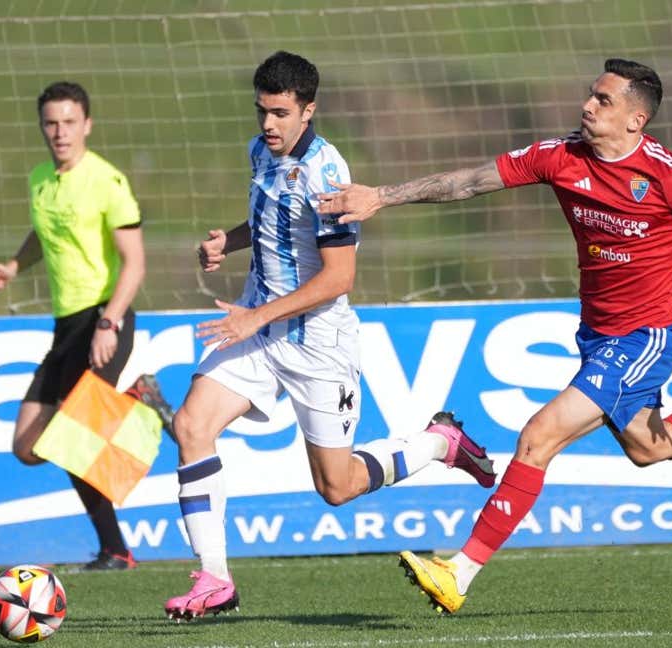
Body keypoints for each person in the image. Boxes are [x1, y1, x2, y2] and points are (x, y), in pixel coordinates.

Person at [316, 58, 672, 614]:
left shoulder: (668, 174)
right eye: (590, 95)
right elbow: (468, 182)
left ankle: (457, 572)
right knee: (647, 447)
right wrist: (383, 196)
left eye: (603, 100)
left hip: (644, 337)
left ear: (637, 119)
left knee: (538, 436)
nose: (588, 106)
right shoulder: (558, 157)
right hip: (597, 334)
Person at [162, 51, 498, 621]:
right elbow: (275, 221)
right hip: (260, 324)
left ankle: (439, 443)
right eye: (261, 111)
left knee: (337, 487)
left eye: (279, 113)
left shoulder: (328, 174)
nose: (267, 124)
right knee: (191, 425)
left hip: (315, 340)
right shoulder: (260, 151)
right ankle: (214, 578)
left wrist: (254, 318)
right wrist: (229, 242)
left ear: (307, 110)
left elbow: (339, 276)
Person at [0, 81, 174, 572]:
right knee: (28, 447)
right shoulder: (40, 180)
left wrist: (109, 322)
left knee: (74, 437)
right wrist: (12, 265)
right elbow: (44, 233)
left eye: (69, 122)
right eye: (51, 122)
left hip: (103, 318)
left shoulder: (106, 181)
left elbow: (134, 263)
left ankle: (115, 550)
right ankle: (134, 399)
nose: (59, 132)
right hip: (64, 325)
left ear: (86, 124)